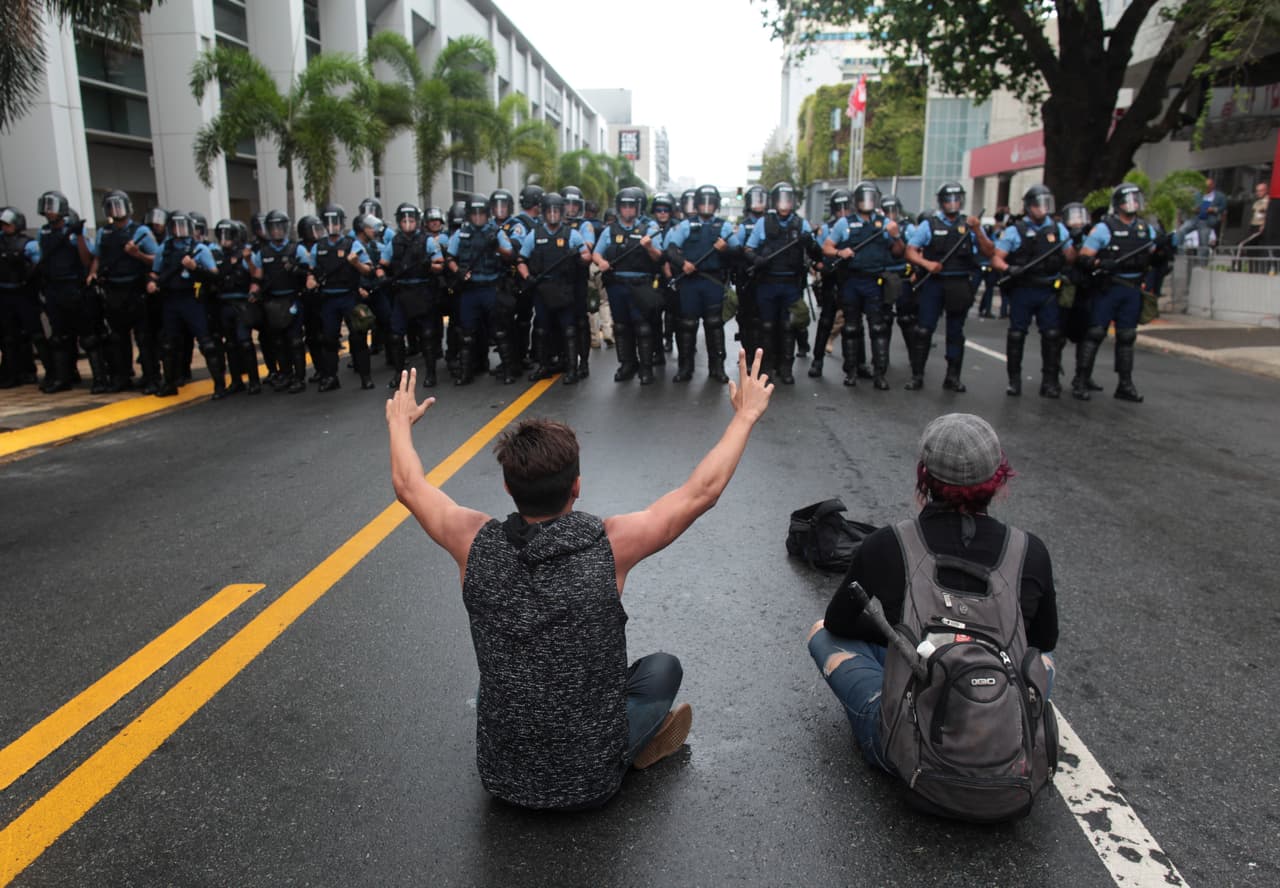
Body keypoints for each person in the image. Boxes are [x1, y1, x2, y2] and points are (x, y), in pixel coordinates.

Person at [386, 347, 774, 810]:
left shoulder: (471, 541)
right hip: (591, 782)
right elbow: (701, 492)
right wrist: (745, 415)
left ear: (508, 487)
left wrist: (398, 423)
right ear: (577, 485)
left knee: (500, 678)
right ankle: (631, 748)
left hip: (502, 779)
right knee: (662, 668)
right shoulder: (609, 544)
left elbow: (409, 486)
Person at [806, 412, 1058, 773]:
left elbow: (839, 622)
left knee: (822, 634)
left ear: (925, 475)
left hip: (911, 757)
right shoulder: (1030, 552)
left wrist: (904, 634)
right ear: (996, 478)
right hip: (1005, 756)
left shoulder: (887, 544)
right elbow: (1043, 638)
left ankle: (890, 725)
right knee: (1045, 660)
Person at [903, 183, 995, 393]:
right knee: (924, 329)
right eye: (948, 199)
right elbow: (911, 251)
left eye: (956, 199)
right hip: (935, 282)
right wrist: (927, 265)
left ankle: (952, 377)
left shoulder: (969, 225)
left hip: (959, 282)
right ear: (942, 202)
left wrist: (978, 230)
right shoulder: (930, 224)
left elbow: (989, 250)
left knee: (955, 331)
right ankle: (917, 375)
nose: (953, 203)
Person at [991, 185, 1076, 398]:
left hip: (1048, 288)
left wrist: (1073, 243)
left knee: (1052, 335)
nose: (1043, 208)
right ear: (1029, 207)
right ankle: (1014, 381)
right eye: (1039, 204)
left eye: (1047, 203)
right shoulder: (1015, 230)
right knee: (1017, 334)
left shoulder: (1058, 230)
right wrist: (1009, 268)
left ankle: (1050, 381)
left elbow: (1070, 257)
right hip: (1024, 288)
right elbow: (996, 258)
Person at [1075, 183, 1155, 402]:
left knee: (1127, 336)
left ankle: (1125, 384)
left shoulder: (1145, 229)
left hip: (1133, 288)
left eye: (1135, 199)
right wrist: (1101, 262)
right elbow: (1084, 257)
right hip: (1109, 287)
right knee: (1095, 333)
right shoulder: (1104, 228)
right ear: (1118, 204)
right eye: (1128, 200)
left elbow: (1155, 254)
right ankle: (1081, 380)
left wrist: (1166, 247)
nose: (1133, 204)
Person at [822, 181, 903, 389]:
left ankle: (879, 373)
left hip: (874, 281)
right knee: (851, 327)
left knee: (878, 327)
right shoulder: (844, 223)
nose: (867, 202)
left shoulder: (885, 223)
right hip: (852, 281)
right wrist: (841, 252)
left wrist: (896, 236)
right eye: (863, 198)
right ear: (856, 201)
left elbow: (898, 251)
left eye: (870, 197)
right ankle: (851, 372)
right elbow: (827, 247)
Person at [146, 211, 225, 399]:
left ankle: (219, 385)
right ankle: (170, 383)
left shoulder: (200, 249)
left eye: (183, 225)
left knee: (207, 344)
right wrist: (151, 282)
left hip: (192, 299)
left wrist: (194, 268)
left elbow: (215, 275)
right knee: (169, 345)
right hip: (171, 300)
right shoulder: (164, 248)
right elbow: (156, 272)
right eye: (176, 226)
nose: (180, 230)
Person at [664, 185, 738, 383]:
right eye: (703, 203)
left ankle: (717, 368)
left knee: (714, 325)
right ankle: (685, 368)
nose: (707, 206)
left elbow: (739, 254)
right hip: (690, 283)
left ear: (716, 205)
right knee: (687, 325)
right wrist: (682, 263)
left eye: (711, 203)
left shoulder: (725, 227)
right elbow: (670, 251)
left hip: (712, 282)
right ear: (696, 205)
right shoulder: (685, 226)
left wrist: (725, 250)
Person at [517, 191, 592, 385]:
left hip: (564, 288)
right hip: (542, 288)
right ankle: (543, 366)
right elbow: (521, 260)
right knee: (542, 329)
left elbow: (587, 257)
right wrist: (528, 277)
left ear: (561, 212)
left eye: (556, 211)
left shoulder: (572, 234)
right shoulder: (534, 234)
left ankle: (572, 369)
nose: (553, 214)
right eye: (549, 210)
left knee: (568, 329)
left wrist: (578, 256)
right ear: (543, 212)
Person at [743, 182, 813, 385]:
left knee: (788, 326)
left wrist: (810, 242)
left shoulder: (802, 224)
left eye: (788, 199)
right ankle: (767, 368)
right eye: (781, 199)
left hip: (791, 282)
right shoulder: (763, 223)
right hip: (768, 282)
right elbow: (748, 249)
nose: (784, 204)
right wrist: (756, 259)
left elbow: (815, 253)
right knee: (767, 326)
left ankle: (786, 368)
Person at [592, 187, 662, 385]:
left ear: (638, 208)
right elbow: (597, 253)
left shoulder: (649, 228)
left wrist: (649, 247)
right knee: (622, 327)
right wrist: (601, 262)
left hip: (641, 285)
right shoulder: (610, 230)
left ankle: (646, 368)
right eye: (624, 206)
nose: (628, 210)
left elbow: (659, 256)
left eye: (632, 206)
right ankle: (627, 364)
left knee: (643, 327)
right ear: (619, 208)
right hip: (617, 285)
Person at [307, 204, 374, 392]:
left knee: (358, 337)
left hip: (349, 296)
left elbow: (369, 269)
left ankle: (365, 377)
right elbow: (312, 271)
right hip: (328, 299)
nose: (332, 226)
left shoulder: (352, 244)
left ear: (341, 224)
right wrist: (310, 280)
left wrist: (356, 264)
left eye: (335, 222)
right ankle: (331, 377)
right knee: (329, 339)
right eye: (328, 222)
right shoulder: (318, 247)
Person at [0, 207, 50, 389]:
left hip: (24, 294)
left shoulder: (29, 244)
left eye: (8, 224)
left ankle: (51, 372)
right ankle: (12, 374)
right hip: (5, 295)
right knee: (9, 337)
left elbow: (39, 266)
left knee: (35, 334)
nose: (5, 228)